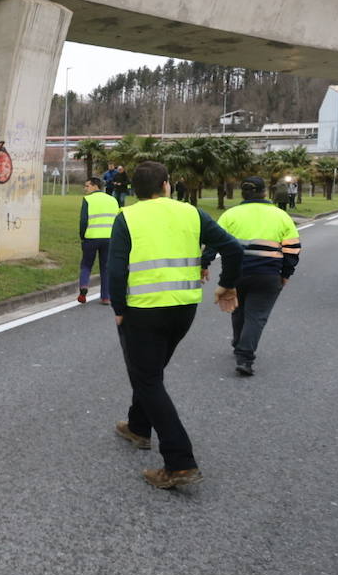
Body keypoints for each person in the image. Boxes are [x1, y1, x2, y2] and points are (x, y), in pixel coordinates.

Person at [108, 161, 242, 489]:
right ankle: (138, 427)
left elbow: (116, 270)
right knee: (150, 373)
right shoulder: (192, 213)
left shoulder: (127, 217)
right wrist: (227, 284)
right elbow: (233, 248)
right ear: (167, 184)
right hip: (183, 310)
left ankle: (179, 461)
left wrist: (119, 309)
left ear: (134, 190)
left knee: (148, 377)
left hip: (143, 311)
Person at [201, 176, 301, 377]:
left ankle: (239, 342)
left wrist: (204, 264)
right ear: (265, 192)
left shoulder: (231, 214)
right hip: (268, 275)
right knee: (257, 315)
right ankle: (245, 357)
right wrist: (286, 274)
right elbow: (292, 249)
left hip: (236, 273)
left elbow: (213, 241)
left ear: (243, 193)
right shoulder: (280, 215)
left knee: (238, 309)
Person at [77, 176, 118, 304]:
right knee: (106, 268)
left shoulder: (88, 200)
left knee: (86, 265)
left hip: (91, 237)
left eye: (87, 186)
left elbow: (84, 221)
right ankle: (106, 297)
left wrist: (82, 236)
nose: (85, 189)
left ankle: (84, 287)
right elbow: (118, 220)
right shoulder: (113, 200)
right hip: (109, 238)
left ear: (95, 186)